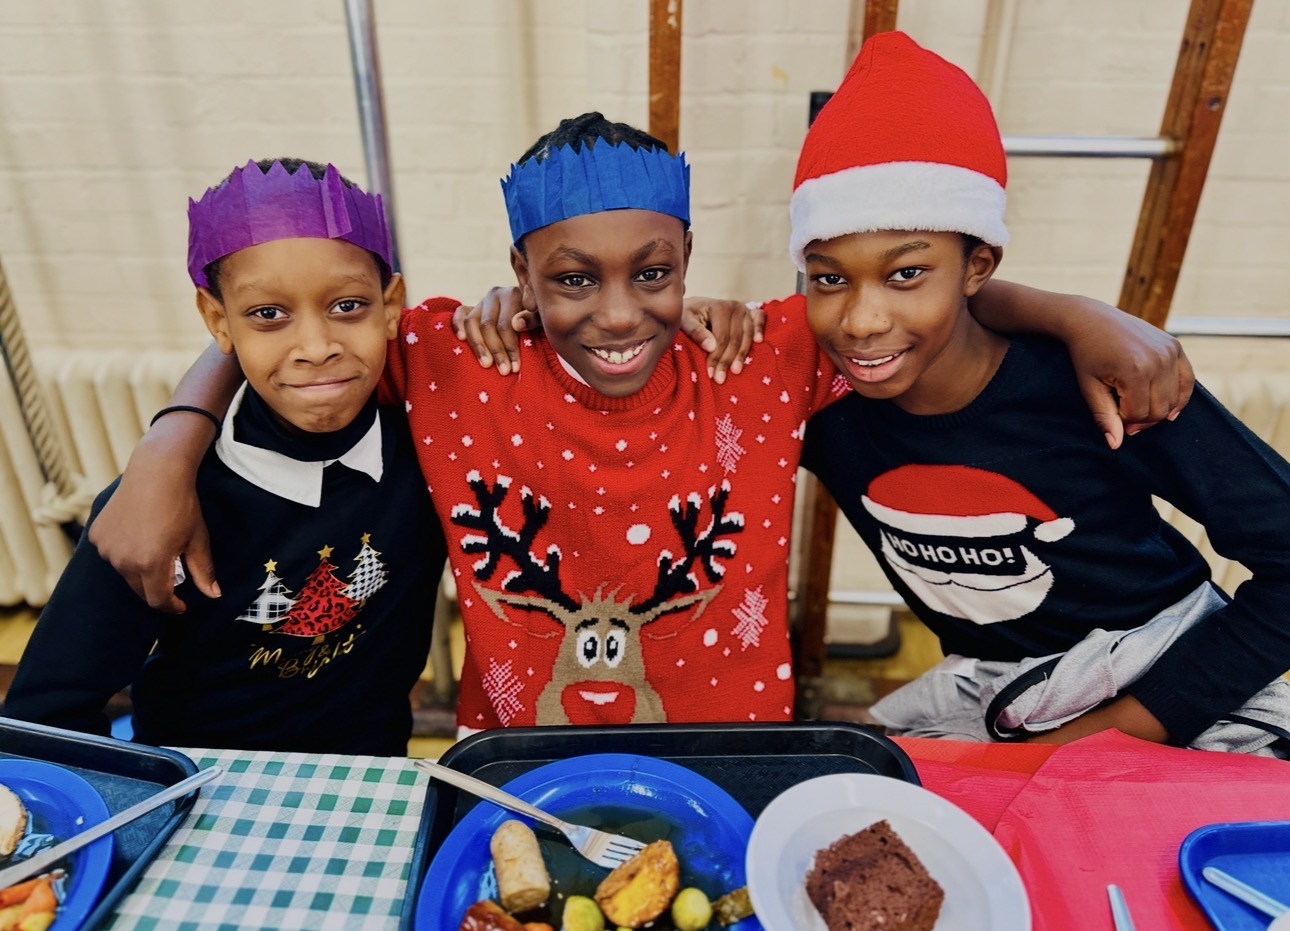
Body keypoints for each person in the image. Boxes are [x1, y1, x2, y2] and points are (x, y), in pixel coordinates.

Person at [86, 114, 1193, 736]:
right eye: (573, 278)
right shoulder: (450, 357)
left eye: (651, 272)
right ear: (520, 273)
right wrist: (173, 438)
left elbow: (910, 301)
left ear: (687, 260)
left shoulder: (759, 357)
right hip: (515, 751)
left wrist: (1075, 313)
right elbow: (296, 326)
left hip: (735, 746)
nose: (618, 313)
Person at [789, 32, 1290, 754]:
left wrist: (1107, 737)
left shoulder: (1101, 384)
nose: (863, 321)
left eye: (907, 274)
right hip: (999, 698)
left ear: (977, 267)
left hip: (1176, 688)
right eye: (829, 277)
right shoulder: (818, 402)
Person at [3, 158, 448, 754]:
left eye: (347, 306)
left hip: (373, 771)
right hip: (201, 776)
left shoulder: (436, 442)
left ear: (390, 305)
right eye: (269, 315)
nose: (316, 347)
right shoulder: (162, 502)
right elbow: (43, 720)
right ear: (218, 320)